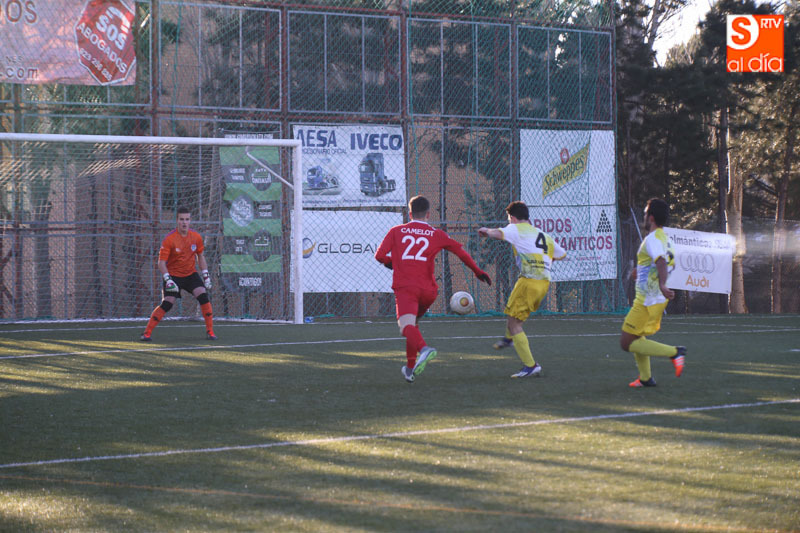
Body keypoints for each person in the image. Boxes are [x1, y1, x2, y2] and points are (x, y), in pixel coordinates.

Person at [375, 195, 492, 383]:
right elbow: (461, 253)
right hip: (428, 292)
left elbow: (379, 256)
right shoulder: (437, 234)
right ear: (428, 214)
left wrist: (393, 263)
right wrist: (478, 271)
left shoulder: (396, 231)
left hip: (406, 288)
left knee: (405, 326)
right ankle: (410, 369)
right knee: (413, 325)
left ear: (409, 213)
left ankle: (425, 349)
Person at [478, 201, 566, 378]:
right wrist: (544, 263)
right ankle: (508, 339)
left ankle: (531, 366)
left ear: (512, 217)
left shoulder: (515, 228)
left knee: (515, 324)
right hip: (541, 282)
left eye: (509, 218)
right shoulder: (542, 234)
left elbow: (498, 233)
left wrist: (486, 231)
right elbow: (561, 254)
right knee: (512, 311)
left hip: (529, 282)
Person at [620, 198, 686, 387]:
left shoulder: (652, 239)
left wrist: (663, 285)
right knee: (637, 336)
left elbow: (661, 261)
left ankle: (675, 352)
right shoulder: (666, 240)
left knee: (626, 342)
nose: (644, 216)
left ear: (651, 217)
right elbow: (658, 263)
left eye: (645, 213)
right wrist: (640, 272)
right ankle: (646, 378)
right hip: (654, 298)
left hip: (647, 300)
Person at [141, 207, 216, 341]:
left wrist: (206, 276)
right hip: (173, 276)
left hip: (190, 274)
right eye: (181, 219)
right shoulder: (169, 239)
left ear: (190, 221)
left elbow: (200, 256)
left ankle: (210, 332)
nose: (184, 222)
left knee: (203, 296)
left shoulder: (196, 237)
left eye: (187, 219)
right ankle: (146, 333)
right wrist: (168, 279)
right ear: (177, 221)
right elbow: (161, 263)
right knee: (168, 303)